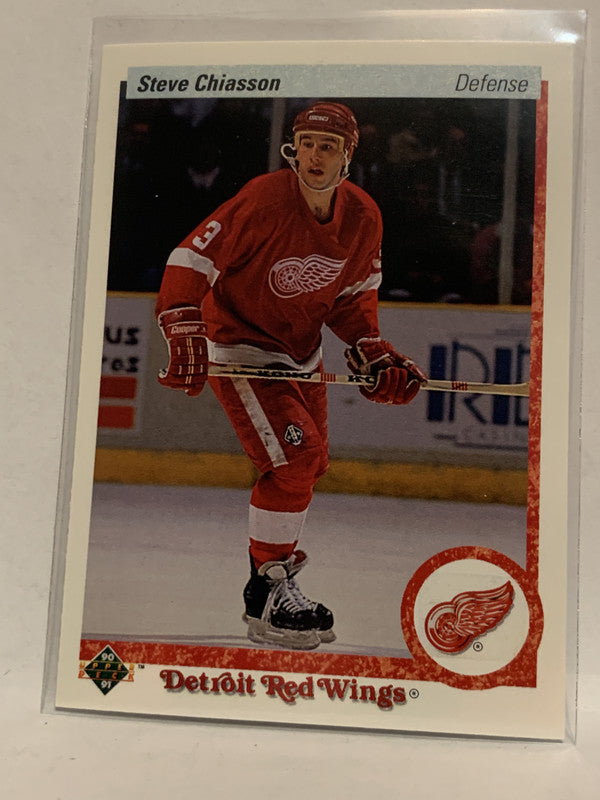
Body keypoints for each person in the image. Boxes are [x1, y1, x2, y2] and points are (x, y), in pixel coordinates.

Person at [155, 102, 427, 651]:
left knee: (309, 466)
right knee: (294, 463)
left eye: (328, 146)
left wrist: (370, 347)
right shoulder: (264, 198)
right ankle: (268, 593)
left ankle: (270, 588)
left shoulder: (363, 216)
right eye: (306, 143)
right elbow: (190, 258)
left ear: (348, 156)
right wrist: (182, 320)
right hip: (240, 349)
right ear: (293, 149)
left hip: (301, 357)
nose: (314, 155)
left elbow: (351, 298)